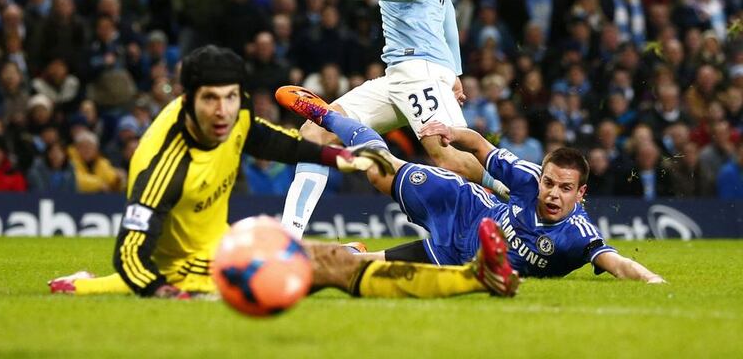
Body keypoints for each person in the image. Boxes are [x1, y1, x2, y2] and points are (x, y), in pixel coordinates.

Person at [48, 45, 517, 299]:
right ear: (186, 99)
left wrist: (349, 159)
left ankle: (475, 276)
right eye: (212, 99)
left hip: (229, 245)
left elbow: (287, 146)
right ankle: (475, 278)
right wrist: (165, 292)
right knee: (333, 269)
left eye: (232, 97)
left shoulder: (235, 117)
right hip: (194, 270)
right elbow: (130, 256)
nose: (224, 110)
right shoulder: (161, 163)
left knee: (337, 264)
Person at [282, 0, 508, 238]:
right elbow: (444, 5)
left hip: (418, 68)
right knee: (315, 131)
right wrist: (454, 70)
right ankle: (288, 238)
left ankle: (521, 200)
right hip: (401, 74)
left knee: (448, 155)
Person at [278, 85, 664, 283]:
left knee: (355, 269)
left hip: (452, 255)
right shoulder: (528, 180)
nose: (551, 193)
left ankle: (347, 250)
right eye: (549, 182)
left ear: (581, 194)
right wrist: (449, 130)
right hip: (460, 204)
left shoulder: (578, 234)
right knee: (379, 170)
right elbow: (480, 145)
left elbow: (617, 263)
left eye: (565, 188)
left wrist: (650, 279)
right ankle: (325, 115)